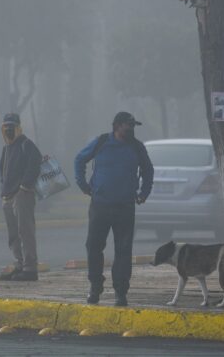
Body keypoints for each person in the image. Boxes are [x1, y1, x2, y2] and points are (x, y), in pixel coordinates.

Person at [74, 112, 154, 306]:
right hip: (100, 204)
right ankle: (95, 287)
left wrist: (144, 193)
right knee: (93, 246)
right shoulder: (101, 142)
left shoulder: (137, 147)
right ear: (117, 126)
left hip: (125, 207)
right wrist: (83, 185)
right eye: (129, 126)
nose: (132, 129)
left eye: (133, 126)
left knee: (123, 250)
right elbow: (79, 159)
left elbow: (148, 171)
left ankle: (121, 292)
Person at [0, 112, 42, 281]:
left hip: (22, 195)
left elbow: (36, 162)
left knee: (26, 232)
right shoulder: (6, 148)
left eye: (12, 126)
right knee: (13, 234)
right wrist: (4, 186)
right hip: (7, 196)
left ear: (18, 127)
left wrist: (24, 186)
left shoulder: (26, 144)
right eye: (6, 126)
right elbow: (2, 170)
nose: (9, 129)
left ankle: (30, 269)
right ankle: (20, 264)